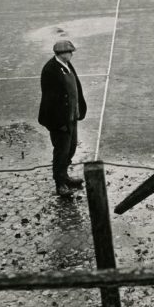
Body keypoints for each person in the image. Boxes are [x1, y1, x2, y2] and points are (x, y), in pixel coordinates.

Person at [38, 40, 87, 197]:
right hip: (59, 121)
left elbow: (75, 89)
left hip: (71, 116)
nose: (72, 54)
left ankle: (65, 177)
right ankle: (60, 184)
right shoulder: (50, 70)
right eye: (69, 52)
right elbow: (49, 100)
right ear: (61, 53)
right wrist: (58, 124)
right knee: (61, 152)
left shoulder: (66, 65)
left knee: (70, 149)